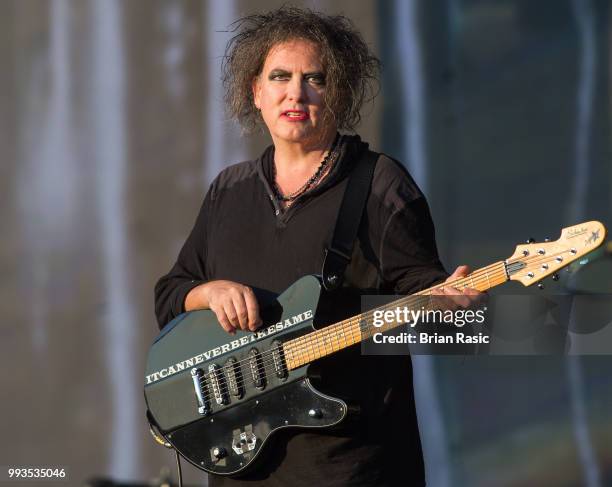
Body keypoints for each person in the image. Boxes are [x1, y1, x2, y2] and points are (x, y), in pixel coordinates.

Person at [154, 7, 480, 486]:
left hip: (354, 468)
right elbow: (170, 296)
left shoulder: (380, 186)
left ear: (338, 93)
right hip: (241, 471)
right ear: (256, 92)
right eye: (280, 77)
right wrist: (208, 293)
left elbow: (440, 319)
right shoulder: (229, 191)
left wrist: (455, 310)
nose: (296, 92)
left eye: (316, 79)